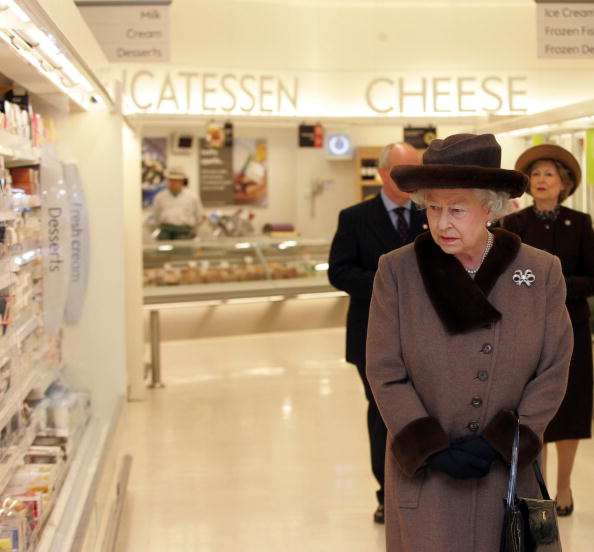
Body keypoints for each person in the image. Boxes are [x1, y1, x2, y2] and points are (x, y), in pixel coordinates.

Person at [366, 133, 572, 552]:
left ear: (491, 208)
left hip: (508, 470)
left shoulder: (540, 270)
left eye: (457, 210)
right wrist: (428, 446)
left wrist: (508, 439)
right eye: (434, 209)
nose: (442, 223)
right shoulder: (398, 271)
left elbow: (553, 367)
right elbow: (385, 370)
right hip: (428, 475)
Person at [328, 142, 428, 524]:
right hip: (371, 334)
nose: (410, 180)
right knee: (382, 414)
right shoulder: (354, 217)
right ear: (384, 174)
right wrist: (388, 284)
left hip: (426, 334)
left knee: (420, 411)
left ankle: (420, 483)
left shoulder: (431, 213)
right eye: (403, 172)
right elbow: (338, 271)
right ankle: (387, 491)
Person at [502, 143, 594, 516]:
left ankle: (564, 486)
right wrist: (539, 285)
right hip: (527, 328)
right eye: (536, 174)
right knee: (532, 408)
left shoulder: (581, 222)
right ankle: (534, 485)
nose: (541, 180)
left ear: (564, 183)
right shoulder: (514, 224)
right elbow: (508, 275)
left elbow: (591, 277)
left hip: (572, 325)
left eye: (549, 174)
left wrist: (551, 285)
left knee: (571, 407)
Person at [152, 166, 203, 240]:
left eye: (177, 180)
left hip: (185, 232)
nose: (174, 182)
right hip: (165, 233)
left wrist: (192, 229)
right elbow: (156, 217)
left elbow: (199, 216)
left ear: (182, 180)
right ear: (168, 180)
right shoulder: (160, 197)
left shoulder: (192, 197)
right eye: (172, 180)